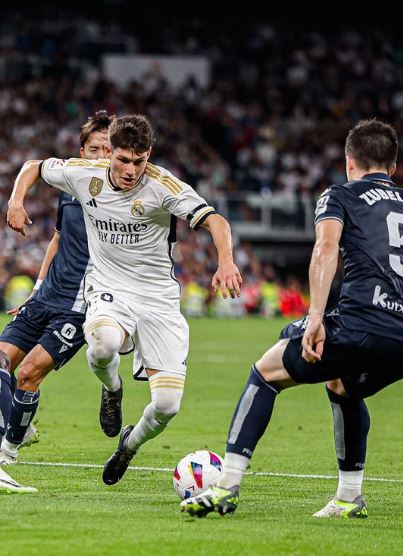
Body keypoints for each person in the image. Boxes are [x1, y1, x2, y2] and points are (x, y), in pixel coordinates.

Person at [180, 119, 403, 519]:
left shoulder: (340, 195)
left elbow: (325, 249)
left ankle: (226, 488)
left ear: (348, 162)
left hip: (361, 325)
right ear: (393, 168)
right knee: (342, 386)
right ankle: (349, 498)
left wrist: (316, 317)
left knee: (265, 373)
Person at [7, 114, 242, 486]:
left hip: (158, 299)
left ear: (148, 155)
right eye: (123, 159)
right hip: (108, 288)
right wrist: (16, 201)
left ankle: (129, 444)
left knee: (166, 406)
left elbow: (216, 221)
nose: (131, 169)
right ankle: (112, 390)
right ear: (110, 152)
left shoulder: (164, 186)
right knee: (102, 345)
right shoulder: (86, 175)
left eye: (140, 160)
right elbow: (33, 166)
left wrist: (225, 261)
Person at [0, 112, 113, 482]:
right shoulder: (72, 185)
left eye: (108, 149)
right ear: (82, 151)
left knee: (29, 374)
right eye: (94, 148)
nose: (101, 155)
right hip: (45, 296)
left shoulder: (123, 198)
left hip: (78, 308)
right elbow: (59, 238)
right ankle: (20, 424)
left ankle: (9, 450)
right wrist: (35, 289)